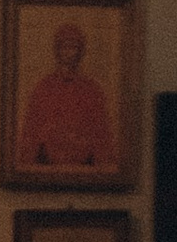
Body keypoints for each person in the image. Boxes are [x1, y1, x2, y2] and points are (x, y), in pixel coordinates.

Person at [18, 18, 118, 172]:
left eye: (74, 47)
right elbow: (31, 132)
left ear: (81, 51)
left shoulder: (92, 89)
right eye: (64, 46)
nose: (69, 52)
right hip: (47, 170)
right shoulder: (43, 87)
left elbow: (101, 133)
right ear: (57, 50)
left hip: (85, 170)